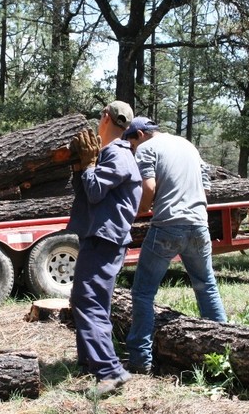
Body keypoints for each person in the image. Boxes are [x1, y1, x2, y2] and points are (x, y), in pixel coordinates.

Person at [123, 117, 227, 374]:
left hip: (168, 225)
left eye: (131, 143)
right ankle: (224, 351)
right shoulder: (186, 144)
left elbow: (148, 186)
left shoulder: (147, 149)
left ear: (139, 134)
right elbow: (205, 184)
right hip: (199, 225)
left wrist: (140, 210)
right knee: (206, 286)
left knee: (143, 293)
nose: (132, 149)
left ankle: (139, 359)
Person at [66, 101, 142, 397]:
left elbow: (95, 191)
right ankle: (90, 361)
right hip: (101, 237)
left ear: (106, 118)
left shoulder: (116, 154)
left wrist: (88, 165)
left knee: (88, 301)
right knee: (90, 299)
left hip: (104, 239)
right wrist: (79, 167)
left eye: (101, 116)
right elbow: (86, 191)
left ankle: (110, 372)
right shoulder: (112, 154)